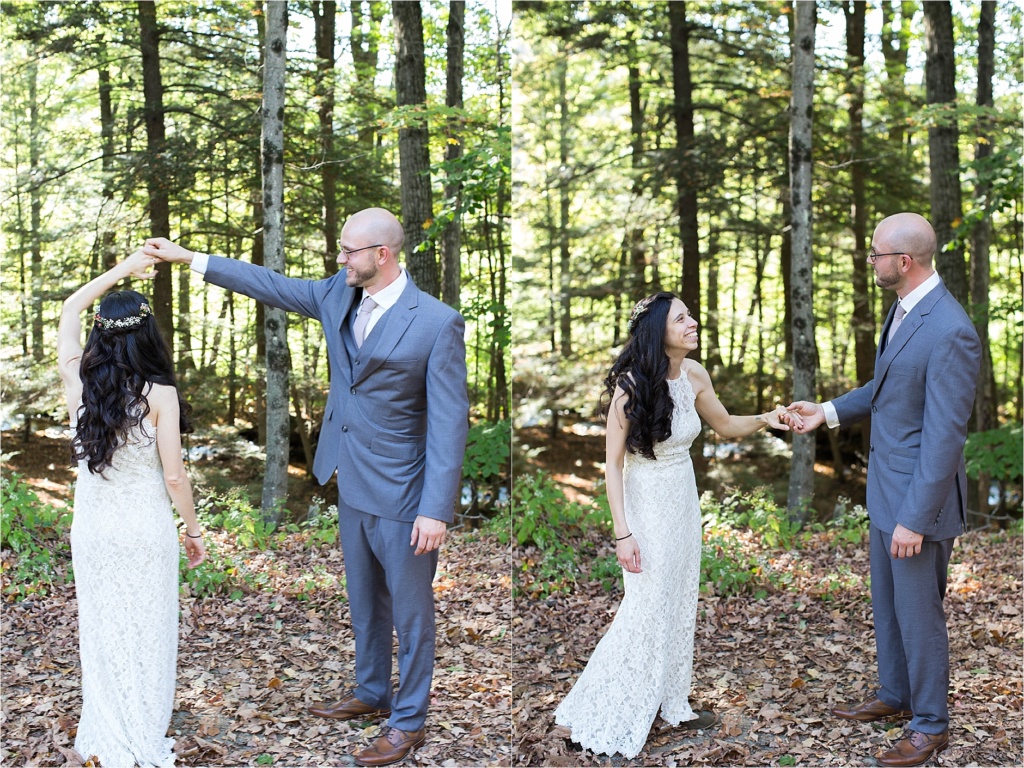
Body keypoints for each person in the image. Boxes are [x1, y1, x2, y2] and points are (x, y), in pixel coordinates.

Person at [143, 207, 469, 767]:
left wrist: (435, 509)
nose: (339, 259)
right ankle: (372, 691)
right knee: (365, 600)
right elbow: (270, 284)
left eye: (349, 251)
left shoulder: (437, 323)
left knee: (411, 614)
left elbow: (449, 422)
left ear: (381, 255)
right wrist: (188, 258)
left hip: (406, 492)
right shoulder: (336, 294)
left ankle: (408, 719)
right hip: (350, 480)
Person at [554, 291, 797, 758]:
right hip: (646, 504)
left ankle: (671, 702)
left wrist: (768, 417)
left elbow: (724, 424)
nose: (693, 322)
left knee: (679, 600)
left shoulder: (694, 374)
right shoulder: (631, 386)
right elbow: (612, 465)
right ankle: (610, 708)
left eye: (690, 315)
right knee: (646, 605)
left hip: (683, 502)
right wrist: (622, 532)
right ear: (658, 332)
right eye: (681, 318)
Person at [787, 212, 980, 767]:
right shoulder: (903, 310)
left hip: (920, 501)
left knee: (920, 616)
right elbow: (885, 386)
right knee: (890, 605)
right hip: (885, 491)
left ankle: (930, 726)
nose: (869, 262)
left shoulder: (951, 330)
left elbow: (944, 436)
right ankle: (896, 697)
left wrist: (915, 519)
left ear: (904, 261)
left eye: (875, 254)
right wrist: (823, 412)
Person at [56, 250, 206, 767]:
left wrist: (121, 271)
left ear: (100, 333)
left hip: (94, 530)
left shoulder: (79, 381)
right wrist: (193, 530)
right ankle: (139, 732)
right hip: (144, 529)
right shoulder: (160, 392)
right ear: (149, 337)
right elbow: (173, 475)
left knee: (102, 631)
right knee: (147, 630)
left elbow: (69, 310)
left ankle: (103, 733)